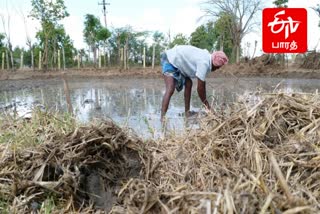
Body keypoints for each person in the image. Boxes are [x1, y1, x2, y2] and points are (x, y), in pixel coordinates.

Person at [160, 45, 228, 122]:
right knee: (170, 88)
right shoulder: (204, 63)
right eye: (217, 67)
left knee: (188, 83)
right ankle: (162, 117)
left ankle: (187, 113)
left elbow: (202, 84)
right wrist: (208, 108)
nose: (216, 69)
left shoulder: (206, 57)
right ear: (215, 64)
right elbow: (200, 89)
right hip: (170, 58)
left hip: (179, 62)